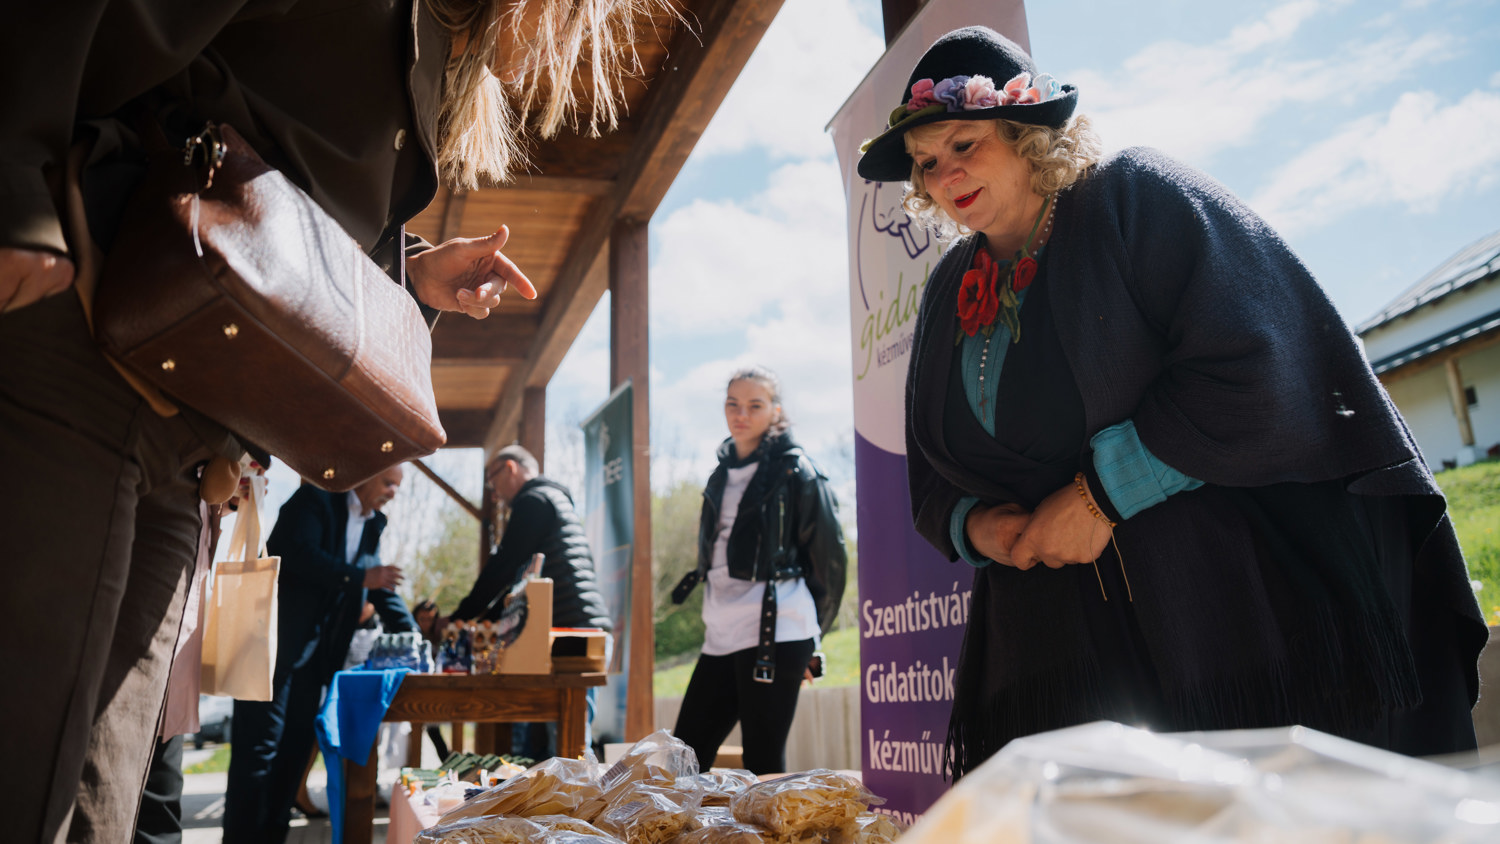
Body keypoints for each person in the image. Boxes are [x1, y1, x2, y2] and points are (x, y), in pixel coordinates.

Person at [0, 2, 667, 840]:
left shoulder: (433, 49)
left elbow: (299, 196)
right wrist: (12, 174)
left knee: (105, 783)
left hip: (194, 426)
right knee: (27, 766)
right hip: (95, 311)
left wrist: (412, 275)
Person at [854, 26, 1488, 778]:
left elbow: (1260, 365)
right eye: (927, 163)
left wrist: (1097, 500)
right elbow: (931, 478)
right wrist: (985, 528)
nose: (945, 174)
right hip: (1060, 677)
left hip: (1232, 639)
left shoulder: (1132, 196)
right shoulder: (943, 293)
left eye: (964, 143)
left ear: (1026, 132)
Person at [670, 367, 848, 775]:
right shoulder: (720, 474)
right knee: (684, 757)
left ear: (775, 411)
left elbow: (830, 562)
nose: (741, 414)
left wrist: (810, 638)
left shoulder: (798, 470)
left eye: (755, 405)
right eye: (733, 404)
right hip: (720, 633)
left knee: (762, 761)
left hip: (777, 630)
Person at [223, 465, 415, 841]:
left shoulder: (374, 525)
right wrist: (360, 577)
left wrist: (413, 633)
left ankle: (273, 837)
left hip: (316, 660)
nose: (393, 491)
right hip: (271, 646)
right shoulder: (314, 499)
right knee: (258, 752)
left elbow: (380, 586)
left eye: (397, 486)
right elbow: (297, 553)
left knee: (294, 753)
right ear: (363, 474)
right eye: (388, 481)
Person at [446, 444, 613, 757]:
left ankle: (572, 805)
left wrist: (463, 615)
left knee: (567, 744)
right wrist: (480, 617)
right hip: (573, 629)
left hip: (572, 634)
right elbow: (517, 585)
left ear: (510, 468)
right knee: (551, 743)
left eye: (492, 481)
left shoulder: (534, 501)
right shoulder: (551, 501)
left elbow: (504, 565)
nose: (494, 494)